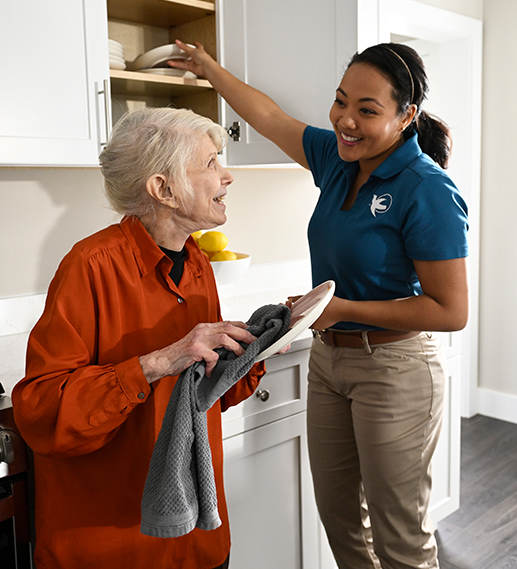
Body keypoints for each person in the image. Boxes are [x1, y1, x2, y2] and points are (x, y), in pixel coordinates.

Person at [169, 41, 469, 569]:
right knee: (340, 521)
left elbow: (450, 311)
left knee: (400, 538)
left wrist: (343, 307)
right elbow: (267, 116)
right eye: (340, 101)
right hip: (329, 361)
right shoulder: (336, 157)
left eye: (367, 110)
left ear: (407, 117)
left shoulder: (428, 190)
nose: (346, 120)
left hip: (396, 370)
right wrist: (208, 68)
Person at [12, 107, 268, 569]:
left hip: (196, 538)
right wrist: (157, 362)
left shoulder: (197, 263)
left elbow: (204, 394)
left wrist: (256, 346)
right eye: (211, 163)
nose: (226, 177)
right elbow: (41, 410)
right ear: (163, 189)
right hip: (112, 546)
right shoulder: (89, 266)